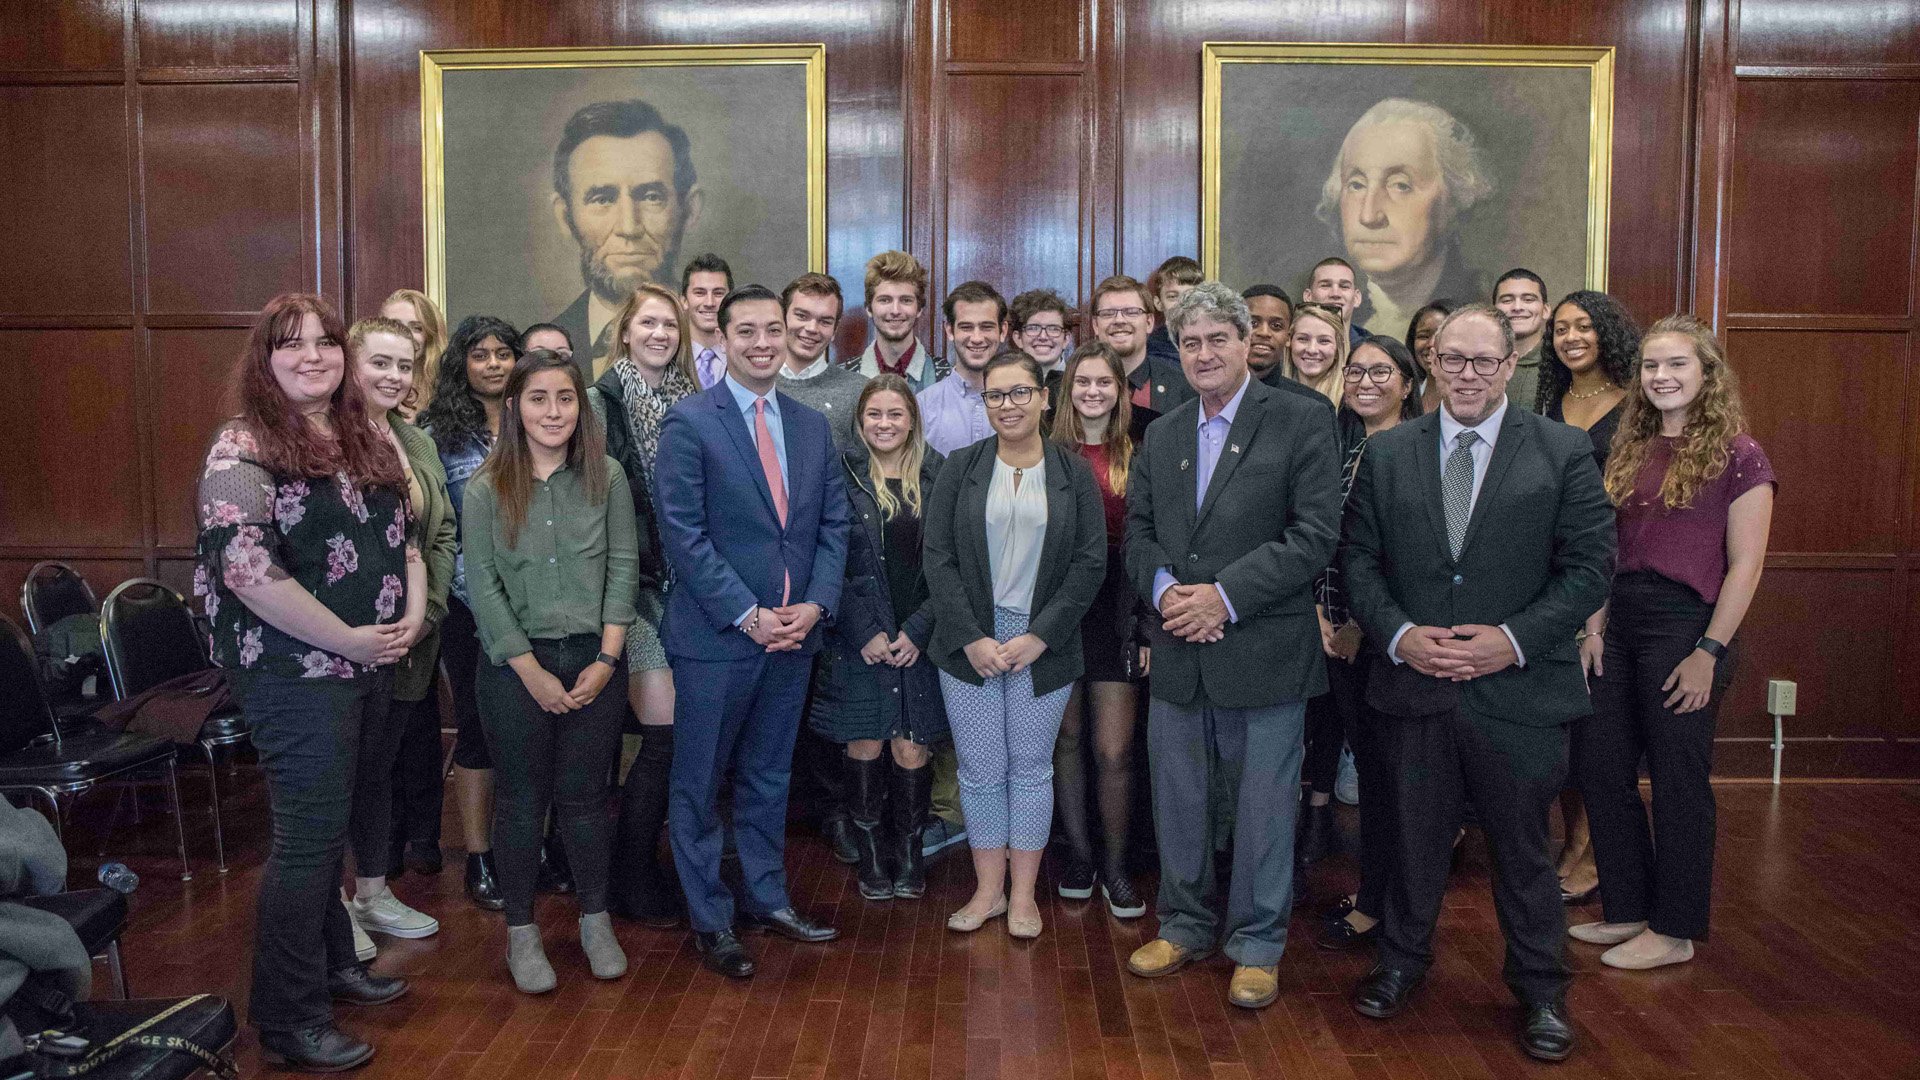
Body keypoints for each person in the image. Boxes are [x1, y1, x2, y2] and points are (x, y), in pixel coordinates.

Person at [1340, 303, 1614, 1062]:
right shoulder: (1391, 453)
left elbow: (1590, 566)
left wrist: (1511, 641)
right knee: (1410, 839)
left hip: (1518, 691)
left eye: (1483, 362)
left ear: (1509, 364)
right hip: (1415, 684)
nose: (1466, 375)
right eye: (1452, 359)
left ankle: (1542, 989)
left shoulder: (1561, 451)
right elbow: (1357, 561)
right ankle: (1399, 963)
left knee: (1523, 850)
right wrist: (1399, 636)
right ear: (1431, 362)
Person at [193, 293, 418, 1071]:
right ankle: (288, 1019)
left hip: (367, 663)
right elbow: (247, 573)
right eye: (293, 345)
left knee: (334, 829)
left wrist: (408, 618)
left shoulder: (358, 432)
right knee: (308, 840)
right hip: (293, 672)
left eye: (326, 342)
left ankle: (333, 966)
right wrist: (349, 639)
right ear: (266, 358)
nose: (313, 356)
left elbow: (407, 540)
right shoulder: (243, 445)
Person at [1121, 282, 1342, 1011]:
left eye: (1219, 339)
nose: (1205, 353)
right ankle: (1183, 925)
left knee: (1263, 808)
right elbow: (1141, 534)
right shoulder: (1163, 432)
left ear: (1248, 343)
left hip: (1265, 649)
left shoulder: (1304, 421)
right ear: (1176, 352)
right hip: (1181, 645)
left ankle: (1256, 944)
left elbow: (1314, 535)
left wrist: (1224, 597)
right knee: (1179, 799)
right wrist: (1165, 596)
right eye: (1191, 342)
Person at [656, 284, 850, 979]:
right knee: (701, 781)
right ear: (723, 338)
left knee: (770, 776)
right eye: (749, 332)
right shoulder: (690, 423)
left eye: (774, 329)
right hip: (717, 639)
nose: (764, 342)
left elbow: (833, 526)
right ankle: (711, 920)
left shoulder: (809, 424)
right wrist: (748, 614)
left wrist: (817, 606)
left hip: (795, 638)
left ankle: (768, 899)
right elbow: (683, 534)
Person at [1571, 316, 1774, 971]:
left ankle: (1676, 927)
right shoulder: (1630, 445)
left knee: (1678, 779)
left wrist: (1708, 653)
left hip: (1687, 624)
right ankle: (1628, 908)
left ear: (1706, 375)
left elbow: (1745, 564)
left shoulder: (1740, 454)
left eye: (1677, 365)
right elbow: (1606, 548)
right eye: (1652, 366)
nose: (1661, 376)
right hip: (1618, 620)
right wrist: (1594, 627)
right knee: (1602, 770)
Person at [463, 349, 638, 993]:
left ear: (580, 407)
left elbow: (623, 565)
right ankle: (522, 932)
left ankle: (596, 922)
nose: (553, 411)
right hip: (516, 669)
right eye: (538, 398)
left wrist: (607, 657)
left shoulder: (607, 476)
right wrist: (531, 672)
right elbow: (481, 584)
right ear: (515, 407)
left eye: (565, 398)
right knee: (519, 803)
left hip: (596, 660)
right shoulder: (486, 487)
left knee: (588, 801)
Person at [924, 351, 1106, 941]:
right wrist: (971, 636)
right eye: (995, 396)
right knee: (979, 771)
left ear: (1045, 397)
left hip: (1041, 642)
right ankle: (988, 891)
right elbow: (939, 558)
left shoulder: (1074, 472)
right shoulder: (959, 466)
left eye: (1020, 393)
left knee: (1030, 771)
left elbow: (1089, 562)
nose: (1008, 405)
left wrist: (1041, 634)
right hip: (969, 642)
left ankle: (1024, 895)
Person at [809, 375, 948, 900]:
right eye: (874, 415)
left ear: (912, 419)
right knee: (864, 742)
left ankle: (908, 855)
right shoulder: (836, 474)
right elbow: (823, 559)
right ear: (859, 420)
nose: (884, 424)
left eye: (895, 414)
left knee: (912, 749)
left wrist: (918, 629)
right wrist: (864, 629)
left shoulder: (940, 474)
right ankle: (872, 859)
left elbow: (953, 566)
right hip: (855, 638)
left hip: (921, 639)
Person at [589, 283, 701, 926]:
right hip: (625, 593)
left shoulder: (696, 406)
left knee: (684, 737)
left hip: (688, 591)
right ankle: (626, 872)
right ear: (625, 331)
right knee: (662, 732)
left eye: (671, 324)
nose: (660, 333)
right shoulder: (598, 403)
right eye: (649, 322)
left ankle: (650, 862)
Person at [1308, 336, 1423, 949]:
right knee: (1376, 778)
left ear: (1407, 383)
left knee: (1398, 779)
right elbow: (1324, 540)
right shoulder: (1345, 448)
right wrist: (1319, 615)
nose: (1365, 381)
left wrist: (1362, 626)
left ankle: (1391, 904)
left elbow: (1410, 558)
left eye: (1381, 371)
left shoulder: (1420, 450)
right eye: (1355, 371)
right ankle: (1378, 891)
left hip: (1388, 642)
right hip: (1335, 635)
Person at [342, 318, 451, 951]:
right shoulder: (327, 440)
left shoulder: (417, 441)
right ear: (351, 366)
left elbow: (435, 535)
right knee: (340, 773)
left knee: (379, 769)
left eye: (404, 365)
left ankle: (375, 893)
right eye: (380, 363)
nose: (393, 376)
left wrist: (424, 614)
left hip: (412, 637)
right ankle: (337, 905)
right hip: (347, 640)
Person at [1536, 289, 1640, 905]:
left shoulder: (1634, 405)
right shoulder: (1552, 401)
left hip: (1613, 571)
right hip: (1552, 569)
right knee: (1566, 720)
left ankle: (1590, 848)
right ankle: (1572, 839)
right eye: (1561, 329)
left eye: (1584, 327)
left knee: (1601, 725)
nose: (1571, 338)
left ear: (1608, 333)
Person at [1047, 343, 1152, 917]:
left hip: (1121, 603)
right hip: (1059, 604)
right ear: (1068, 390)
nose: (1092, 391)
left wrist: (1146, 627)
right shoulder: (1046, 450)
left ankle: (1116, 863)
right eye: (1081, 382)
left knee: (1113, 747)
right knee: (1065, 740)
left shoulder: (1142, 448)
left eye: (1103, 382)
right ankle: (1079, 856)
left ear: (1121, 389)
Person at [418, 315, 519, 911]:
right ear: (462, 364)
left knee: (530, 735)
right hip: (466, 607)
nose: (492, 364)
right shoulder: (438, 434)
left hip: (537, 605)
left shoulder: (536, 418)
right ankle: (478, 858)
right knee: (478, 733)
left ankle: (524, 848)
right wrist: (483, 600)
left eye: (503, 353)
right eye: (479, 355)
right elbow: (441, 532)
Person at [1316, 99, 1494, 335]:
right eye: (1356, 185)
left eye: (1400, 185)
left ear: (1453, 198)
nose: (1369, 215)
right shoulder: (1332, 327)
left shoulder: (1483, 318)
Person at [546, 99, 702, 364]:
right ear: (565, 216)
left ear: (689, 209)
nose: (628, 227)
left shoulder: (726, 341)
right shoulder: (544, 344)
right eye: (602, 199)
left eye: (651, 196)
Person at [918, 280, 1008, 455]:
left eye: (986, 327)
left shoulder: (1022, 404)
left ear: (1003, 331)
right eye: (966, 327)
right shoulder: (923, 406)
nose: (976, 338)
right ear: (950, 331)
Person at [777, 273, 864, 447]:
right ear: (782, 317)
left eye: (824, 321)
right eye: (802, 316)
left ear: (835, 329)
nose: (811, 328)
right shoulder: (754, 384)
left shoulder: (860, 391)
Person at [1091, 274, 1192, 416]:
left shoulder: (1184, 387)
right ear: (1095, 325)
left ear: (1149, 322)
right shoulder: (1071, 386)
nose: (1119, 320)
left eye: (1131, 312)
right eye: (1108, 313)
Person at [856, 250, 945, 392]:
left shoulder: (945, 376)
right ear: (868, 308)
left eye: (906, 300)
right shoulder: (845, 377)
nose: (896, 311)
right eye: (885, 300)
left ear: (920, 309)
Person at [380, 288, 446, 418]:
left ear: (431, 334)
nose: (406, 336)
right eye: (395, 326)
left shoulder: (449, 389)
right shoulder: (367, 389)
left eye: (416, 328)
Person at [1493, 269, 1550, 413]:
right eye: (1507, 300)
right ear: (1493, 311)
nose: (1517, 307)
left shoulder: (1561, 362)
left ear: (1546, 310)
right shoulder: (1480, 363)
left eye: (1528, 299)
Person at [683, 253, 733, 389]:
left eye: (718, 293)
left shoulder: (744, 356)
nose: (709, 302)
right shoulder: (669, 356)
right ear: (684, 301)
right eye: (700, 293)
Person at [1286, 302, 1351, 408]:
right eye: (1303, 339)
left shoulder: (1349, 404)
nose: (1312, 350)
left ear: (1338, 349)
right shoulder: (1270, 394)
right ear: (1289, 341)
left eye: (1324, 341)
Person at [1144, 256, 1203, 366]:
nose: (1182, 304)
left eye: (1190, 296)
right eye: (1172, 297)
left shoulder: (1213, 342)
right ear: (1159, 303)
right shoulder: (1150, 350)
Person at [1301, 258, 1368, 349]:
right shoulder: (1288, 346)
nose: (1335, 294)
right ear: (1308, 297)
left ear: (1356, 298)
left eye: (1344, 286)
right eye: (1325, 285)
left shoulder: (1372, 351)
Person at [1403, 300, 1454, 415]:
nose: (1431, 344)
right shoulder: (1403, 399)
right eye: (1423, 336)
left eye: (1441, 335)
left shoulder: (1473, 400)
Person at [1242, 284, 1292, 381]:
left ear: (1288, 337)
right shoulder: (1208, 392)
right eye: (1253, 323)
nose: (1264, 333)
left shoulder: (1303, 396)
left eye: (1276, 326)